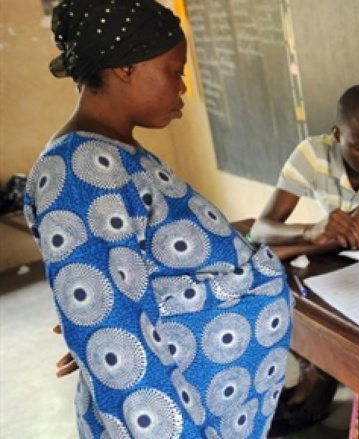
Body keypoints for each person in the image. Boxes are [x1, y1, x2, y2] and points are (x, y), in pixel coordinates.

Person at [24, 1, 293, 437]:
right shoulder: (81, 171)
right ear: (126, 68)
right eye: (174, 70)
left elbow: (134, 290)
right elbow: (119, 350)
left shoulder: (114, 154)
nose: (182, 87)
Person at [248, 84, 359, 436]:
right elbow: (262, 228)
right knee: (289, 303)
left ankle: (336, 392)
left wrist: (290, 245)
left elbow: (353, 234)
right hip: (330, 264)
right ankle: (317, 380)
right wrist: (311, 232)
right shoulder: (312, 154)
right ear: (337, 135)